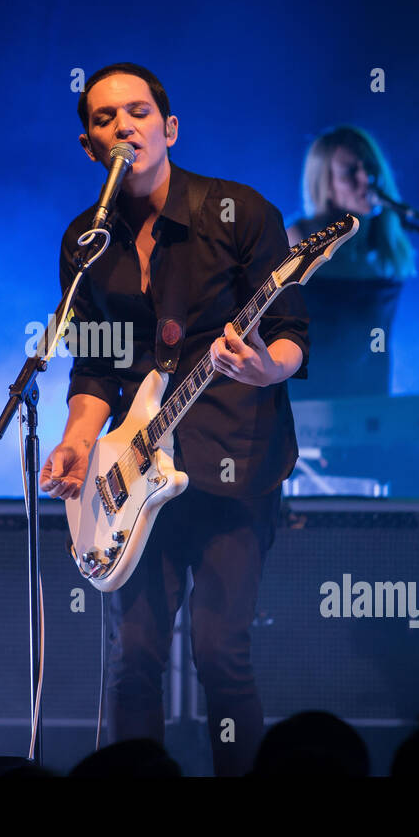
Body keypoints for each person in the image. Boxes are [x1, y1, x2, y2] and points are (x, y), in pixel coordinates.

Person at [40, 63, 310, 777]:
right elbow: (94, 366)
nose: (123, 125)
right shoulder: (85, 242)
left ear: (169, 127)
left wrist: (262, 366)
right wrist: (74, 441)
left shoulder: (239, 211)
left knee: (222, 653)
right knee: (133, 661)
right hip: (131, 477)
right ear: (88, 144)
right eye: (104, 119)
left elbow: (289, 332)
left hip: (232, 461)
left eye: (137, 112)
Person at [288, 125, 419, 497]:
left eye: (369, 168)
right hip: (309, 412)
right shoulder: (299, 239)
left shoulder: (386, 246)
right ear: (324, 182)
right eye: (350, 171)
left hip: (371, 407)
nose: (366, 179)